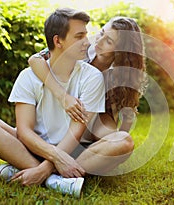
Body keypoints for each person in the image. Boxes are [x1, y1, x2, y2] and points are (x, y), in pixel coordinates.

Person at [0, 8, 107, 198]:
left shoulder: (92, 77)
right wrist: (54, 157)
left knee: (122, 142)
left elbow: (77, 132)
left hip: (71, 150)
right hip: (32, 147)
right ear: (57, 41)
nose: (87, 41)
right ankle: (55, 181)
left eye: (86, 34)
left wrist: (49, 164)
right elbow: (24, 131)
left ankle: (29, 170)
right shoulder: (28, 76)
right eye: (79, 36)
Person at [28, 17, 147, 175]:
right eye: (102, 32)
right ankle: (60, 165)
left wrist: (117, 151)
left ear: (120, 53)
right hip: (65, 107)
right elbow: (35, 60)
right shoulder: (82, 46)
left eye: (109, 41)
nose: (100, 40)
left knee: (119, 139)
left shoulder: (122, 73)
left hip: (94, 116)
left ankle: (62, 168)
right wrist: (63, 96)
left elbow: (127, 110)